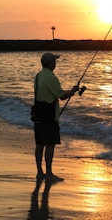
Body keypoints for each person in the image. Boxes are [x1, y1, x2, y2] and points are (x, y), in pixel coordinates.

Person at [33, 52, 79, 182]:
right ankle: (49, 173)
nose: (56, 63)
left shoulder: (38, 76)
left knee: (40, 144)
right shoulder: (51, 77)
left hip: (37, 114)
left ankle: (40, 172)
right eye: (54, 61)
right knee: (50, 144)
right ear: (50, 63)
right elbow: (62, 96)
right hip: (49, 116)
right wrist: (73, 91)